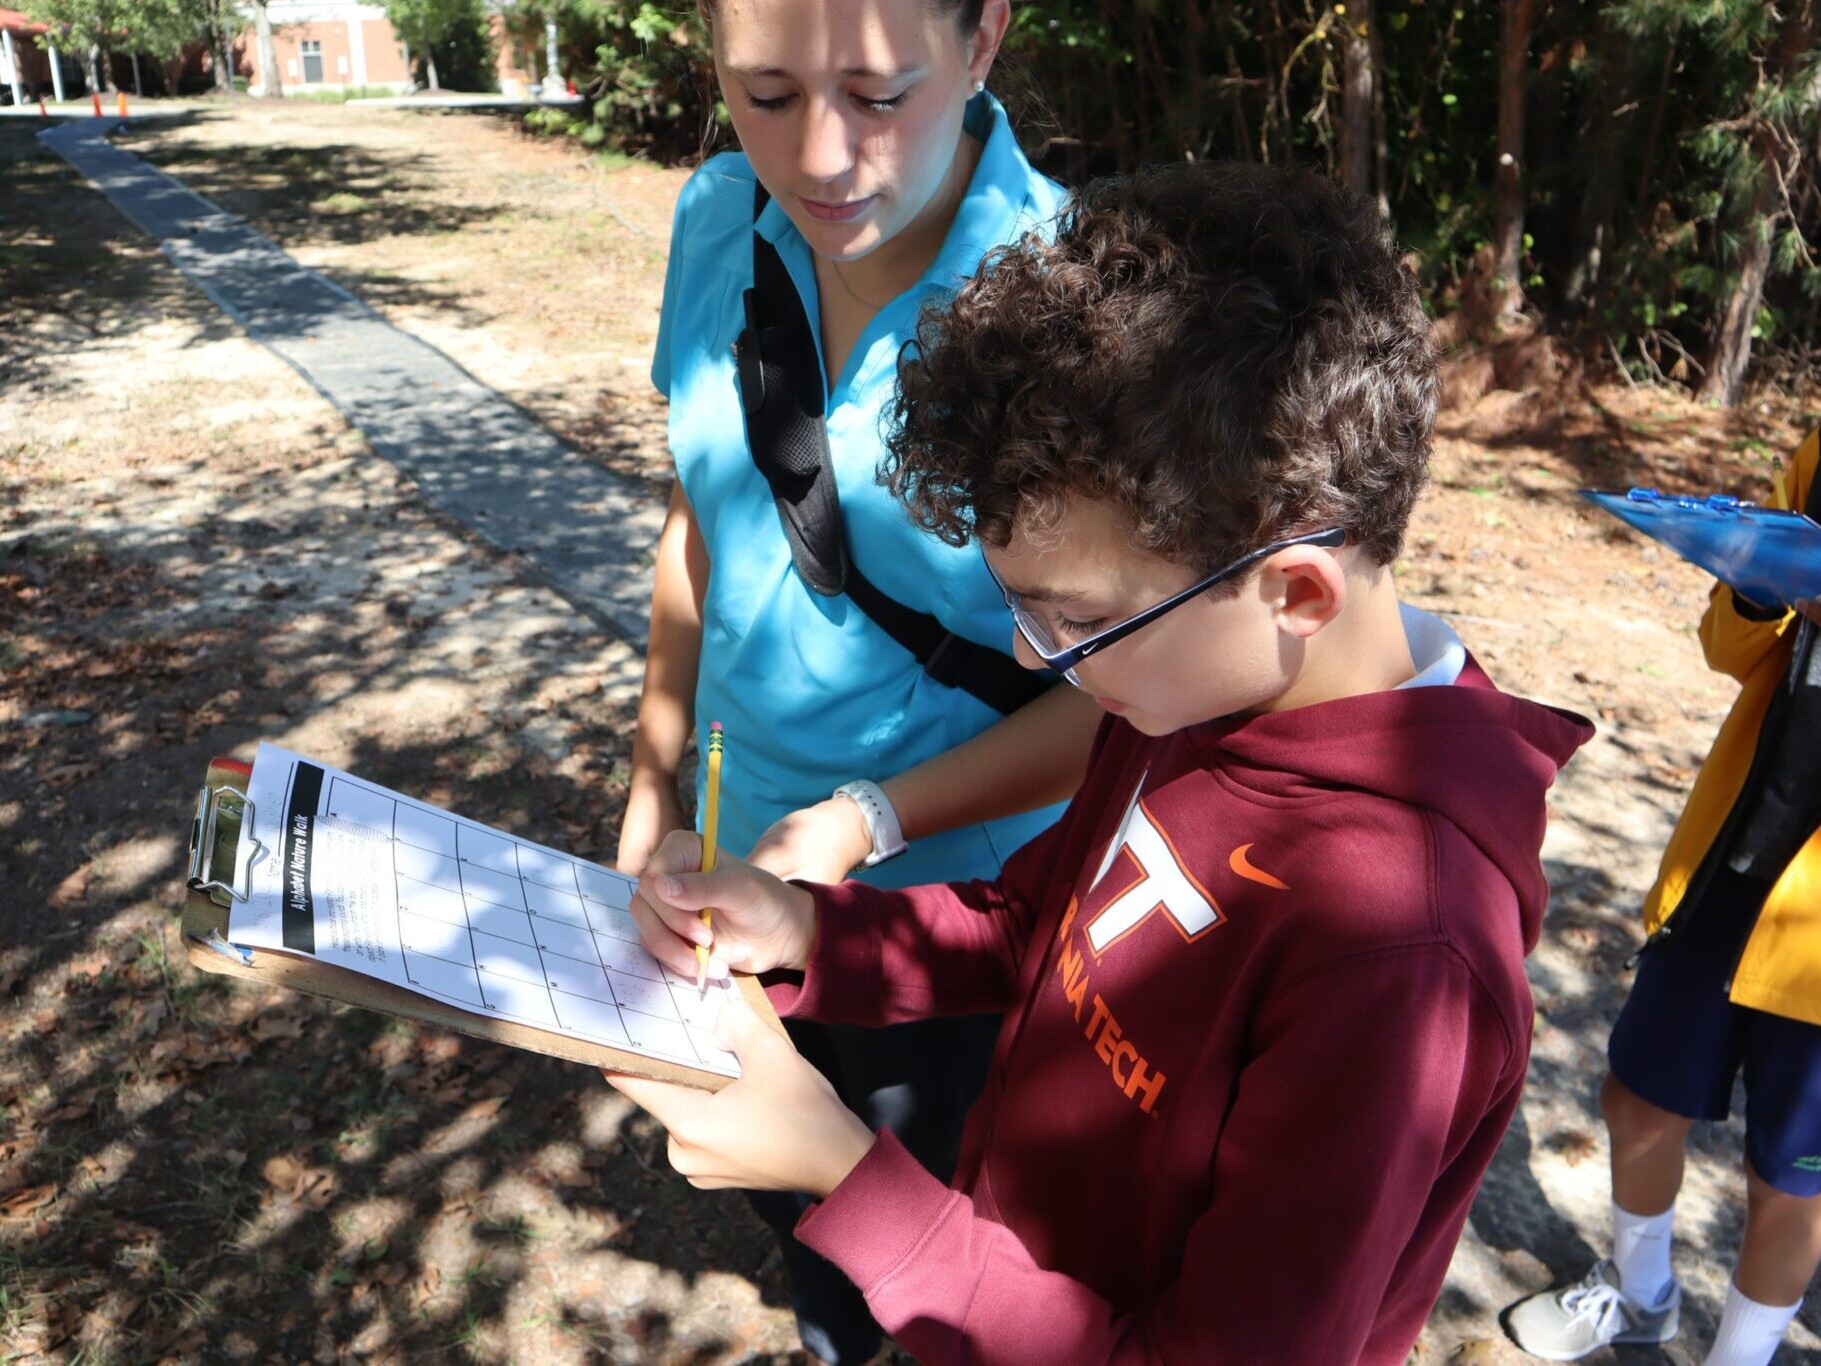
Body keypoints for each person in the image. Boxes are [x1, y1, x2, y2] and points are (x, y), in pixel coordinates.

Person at [607, 160, 1595, 1363]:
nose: (1043, 662)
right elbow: (1042, 934)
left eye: (1074, 623)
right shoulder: (1194, 684)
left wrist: (841, 1169)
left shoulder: (1400, 952)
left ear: (1293, 588)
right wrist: (811, 932)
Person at [621, 1, 1102, 1360]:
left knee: (935, 1248)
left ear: (986, 38)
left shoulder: (1079, 306)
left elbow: (1121, 688)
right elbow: (702, 508)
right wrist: (649, 778)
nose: (820, 156)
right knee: (795, 1200)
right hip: (735, 856)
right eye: (764, 93)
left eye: (879, 94)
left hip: (953, 912)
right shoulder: (720, 216)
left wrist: (866, 821)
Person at [1506, 429, 1821, 1365]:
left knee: (1791, 1180)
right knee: (1637, 1099)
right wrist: (1760, 583)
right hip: (1739, 854)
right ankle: (1641, 1299)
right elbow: (1731, 649)